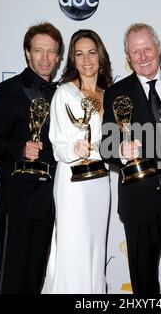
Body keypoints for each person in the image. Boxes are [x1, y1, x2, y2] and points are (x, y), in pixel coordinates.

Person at [101, 23, 161, 293]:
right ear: (128, 57)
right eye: (135, 51)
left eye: (147, 49)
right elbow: (107, 145)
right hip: (138, 201)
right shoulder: (116, 92)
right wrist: (120, 151)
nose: (143, 56)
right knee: (143, 282)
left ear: (159, 49)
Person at [0, 22, 63, 294]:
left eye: (51, 51)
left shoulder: (62, 94)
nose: (44, 58)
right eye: (38, 50)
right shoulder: (9, 90)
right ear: (27, 53)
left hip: (47, 202)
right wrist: (20, 150)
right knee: (11, 282)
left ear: (58, 55)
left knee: (33, 281)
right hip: (16, 200)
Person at [41, 29, 112, 294]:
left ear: (100, 56)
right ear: (72, 59)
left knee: (95, 250)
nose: (86, 60)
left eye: (91, 52)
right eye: (79, 54)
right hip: (72, 182)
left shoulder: (111, 95)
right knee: (73, 249)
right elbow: (57, 145)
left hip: (100, 183)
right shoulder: (65, 93)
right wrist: (74, 147)